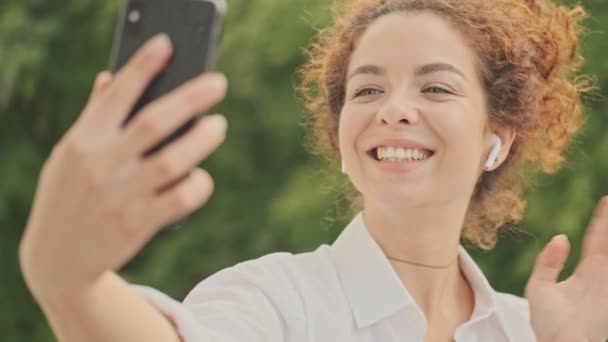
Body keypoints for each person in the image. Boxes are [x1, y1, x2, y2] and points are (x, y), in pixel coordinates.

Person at [18, 0, 608, 341]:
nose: (394, 109)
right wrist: (68, 281)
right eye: (369, 87)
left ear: (496, 140)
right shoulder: (274, 302)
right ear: (345, 140)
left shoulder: (526, 331)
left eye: (434, 86)